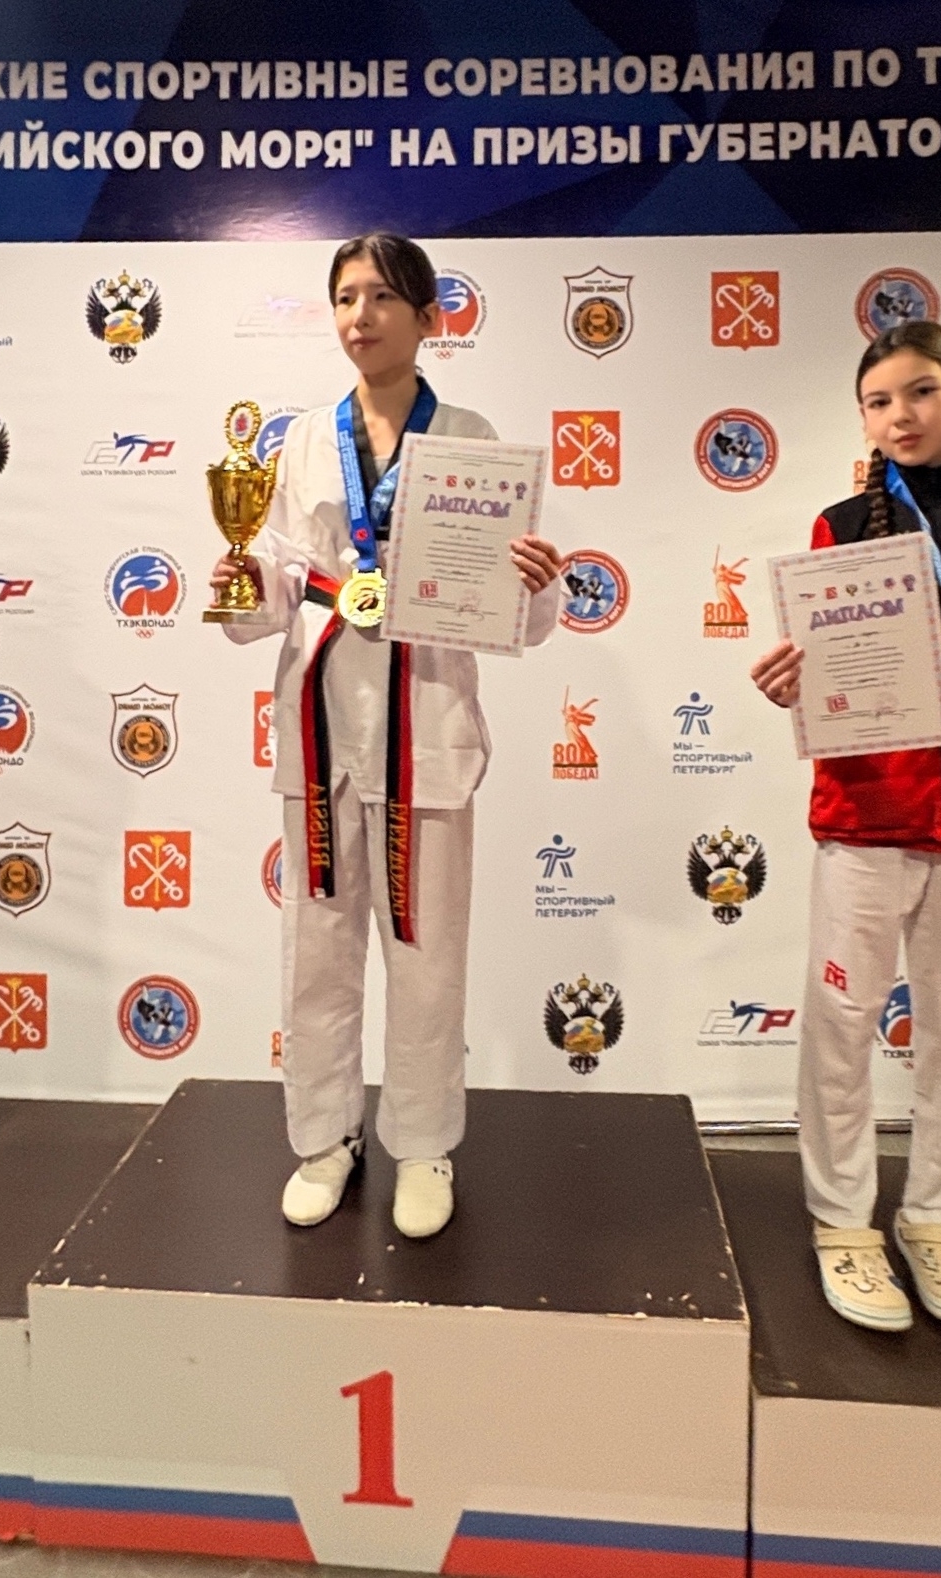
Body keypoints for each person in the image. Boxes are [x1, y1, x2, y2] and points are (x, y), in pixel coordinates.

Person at [213, 233, 563, 1239]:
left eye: (379, 297)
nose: (358, 316)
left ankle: (422, 1145)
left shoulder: (471, 436)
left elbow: (512, 615)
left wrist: (534, 587)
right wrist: (241, 585)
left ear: (427, 316)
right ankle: (324, 1137)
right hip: (322, 716)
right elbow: (273, 588)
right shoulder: (298, 442)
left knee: (425, 951)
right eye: (344, 297)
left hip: (428, 725)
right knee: (317, 947)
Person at [750, 321, 941, 1331]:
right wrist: (791, 680)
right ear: (864, 421)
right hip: (867, 814)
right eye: (879, 402)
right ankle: (843, 1222)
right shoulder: (842, 525)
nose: (901, 415)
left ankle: (936, 1217)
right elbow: (825, 667)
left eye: (921, 391)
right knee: (842, 1025)